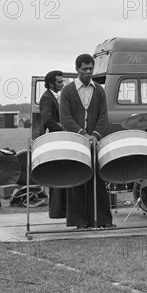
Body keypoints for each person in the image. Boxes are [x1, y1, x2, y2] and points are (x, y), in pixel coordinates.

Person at [59, 54, 115, 228]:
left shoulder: (98, 90)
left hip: (94, 142)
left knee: (97, 180)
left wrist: (95, 135)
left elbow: (103, 116)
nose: (88, 72)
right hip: (75, 141)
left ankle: (102, 220)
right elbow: (65, 117)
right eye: (85, 69)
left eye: (91, 69)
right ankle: (80, 221)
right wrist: (82, 133)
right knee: (77, 178)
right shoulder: (67, 91)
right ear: (77, 70)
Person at [39, 70, 67, 219]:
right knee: (57, 174)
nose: (62, 84)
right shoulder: (46, 98)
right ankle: (57, 211)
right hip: (54, 140)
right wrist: (66, 128)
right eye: (59, 82)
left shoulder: (56, 96)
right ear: (51, 83)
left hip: (60, 139)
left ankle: (61, 209)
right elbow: (47, 121)